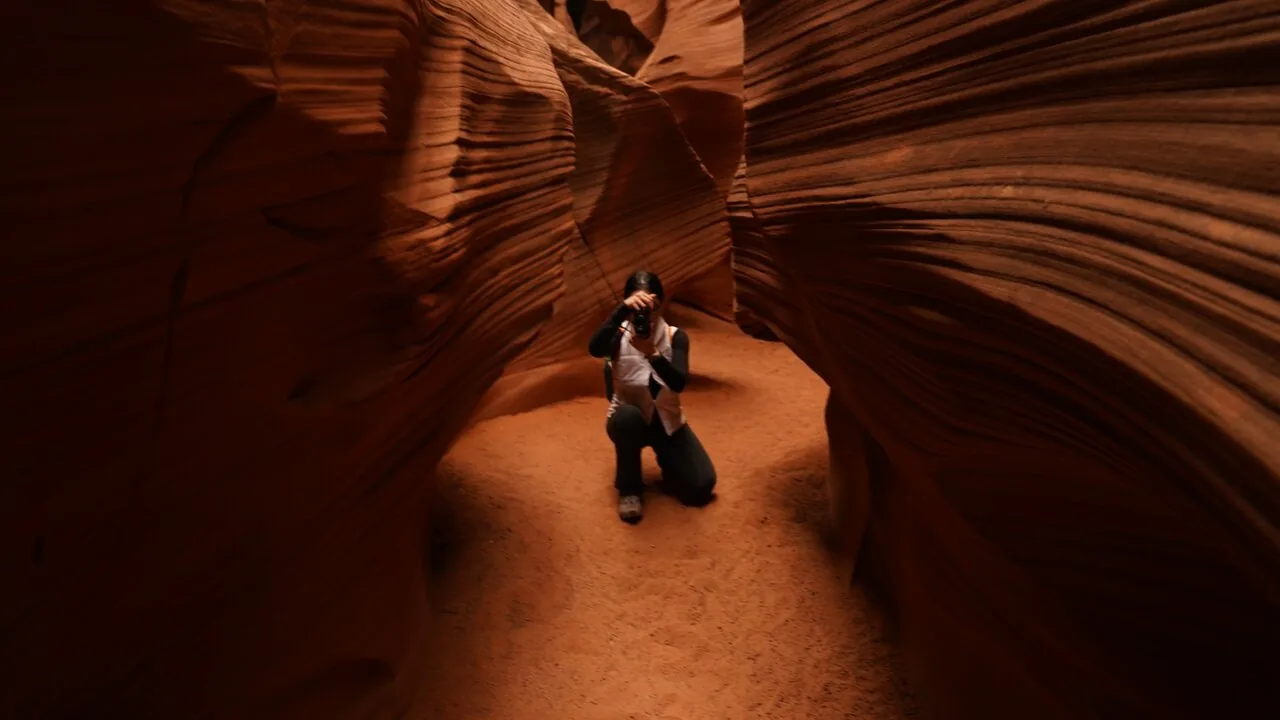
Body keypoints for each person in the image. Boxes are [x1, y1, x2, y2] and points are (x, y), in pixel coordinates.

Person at [587, 270, 717, 523]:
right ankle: (630, 488)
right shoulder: (618, 334)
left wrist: (652, 354)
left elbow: (678, 383)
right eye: (637, 304)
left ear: (660, 303)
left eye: (651, 304)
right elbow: (594, 348)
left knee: (701, 486)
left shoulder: (675, 336)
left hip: (668, 422)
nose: (644, 312)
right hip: (630, 419)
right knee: (627, 418)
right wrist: (620, 311)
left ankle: (669, 462)